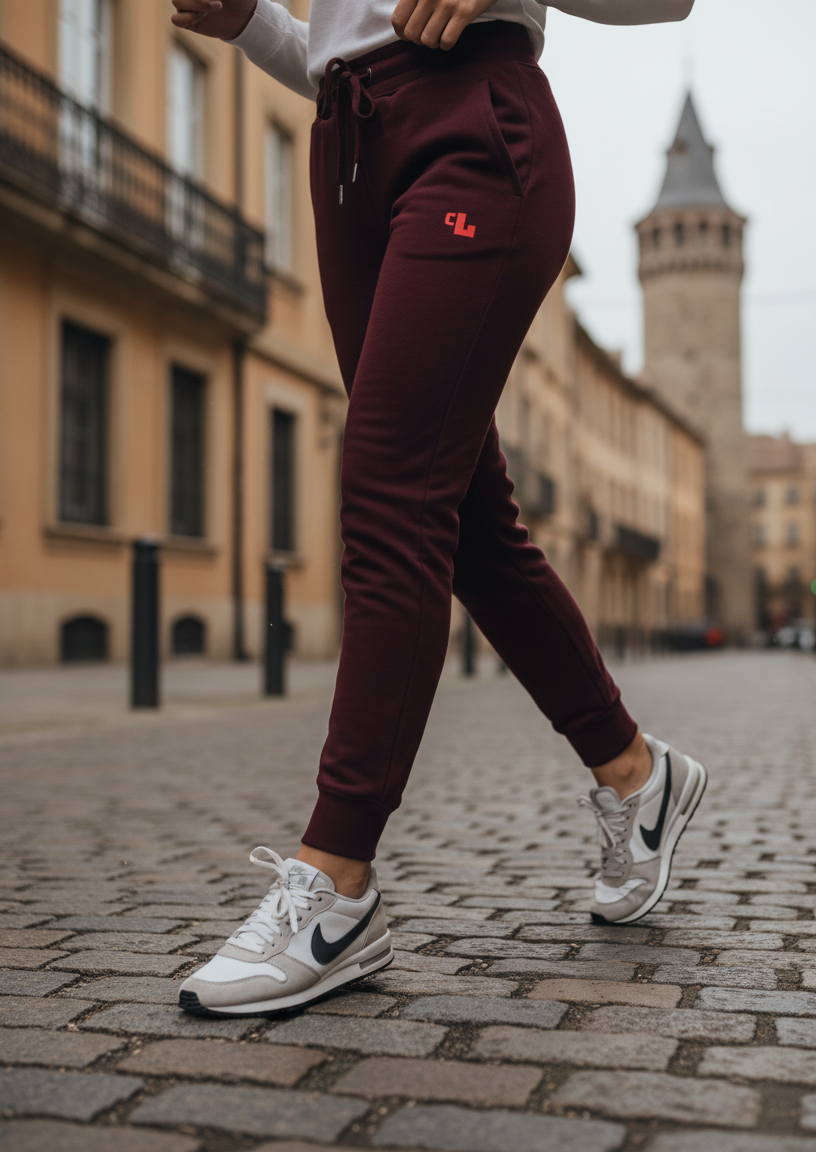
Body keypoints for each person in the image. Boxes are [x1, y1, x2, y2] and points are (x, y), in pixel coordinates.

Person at [173, 0, 706, 1017]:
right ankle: (639, 776)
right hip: (348, 148)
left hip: (473, 124)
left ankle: (336, 887)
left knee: (387, 492)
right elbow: (345, 41)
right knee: (467, 526)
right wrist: (249, 25)